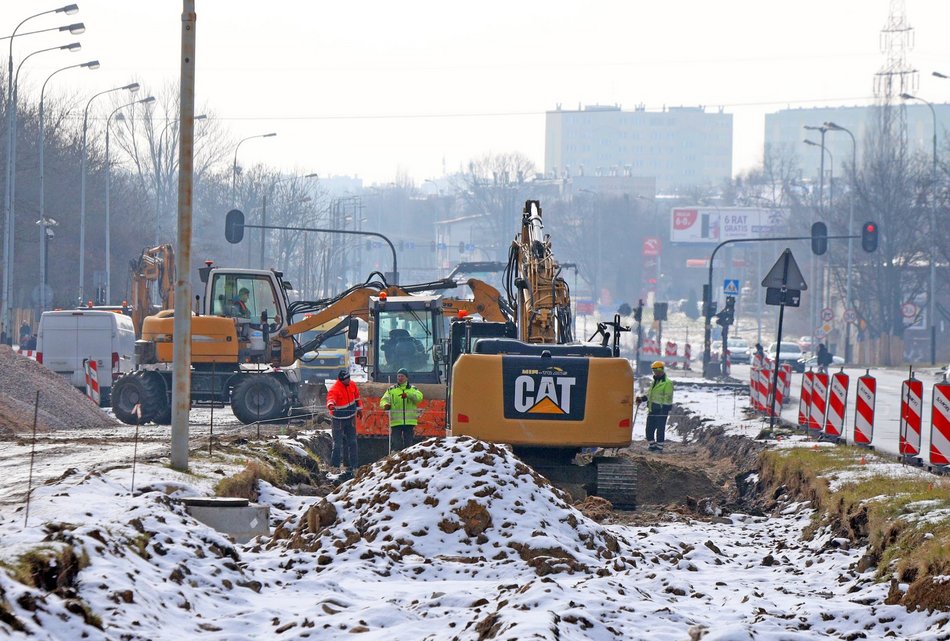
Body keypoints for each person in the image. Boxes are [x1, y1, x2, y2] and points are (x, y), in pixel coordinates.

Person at [326, 369, 362, 479]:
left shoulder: (352, 385)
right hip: (338, 419)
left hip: (350, 418)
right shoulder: (335, 389)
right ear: (342, 380)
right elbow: (330, 399)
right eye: (347, 379)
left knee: (352, 442)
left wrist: (359, 409)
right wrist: (331, 405)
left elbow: (357, 398)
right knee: (337, 443)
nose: (349, 380)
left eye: (349, 378)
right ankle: (335, 466)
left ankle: (353, 466)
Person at [381, 367, 424, 452]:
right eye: (398, 376)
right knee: (396, 444)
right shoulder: (391, 390)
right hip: (396, 422)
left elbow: (419, 398)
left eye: (402, 376)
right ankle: (395, 461)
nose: (400, 378)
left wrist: (408, 395)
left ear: (407, 378)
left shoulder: (413, 389)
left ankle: (408, 461)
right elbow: (384, 400)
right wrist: (385, 405)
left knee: (409, 445)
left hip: (409, 422)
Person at [635, 360, 674, 452]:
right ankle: (652, 445)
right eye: (654, 371)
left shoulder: (667, 383)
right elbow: (650, 394)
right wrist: (642, 398)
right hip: (652, 408)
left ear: (662, 370)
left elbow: (668, 397)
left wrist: (665, 409)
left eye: (657, 371)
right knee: (649, 428)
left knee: (660, 429)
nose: (656, 373)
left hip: (661, 410)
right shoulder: (655, 381)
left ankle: (659, 447)